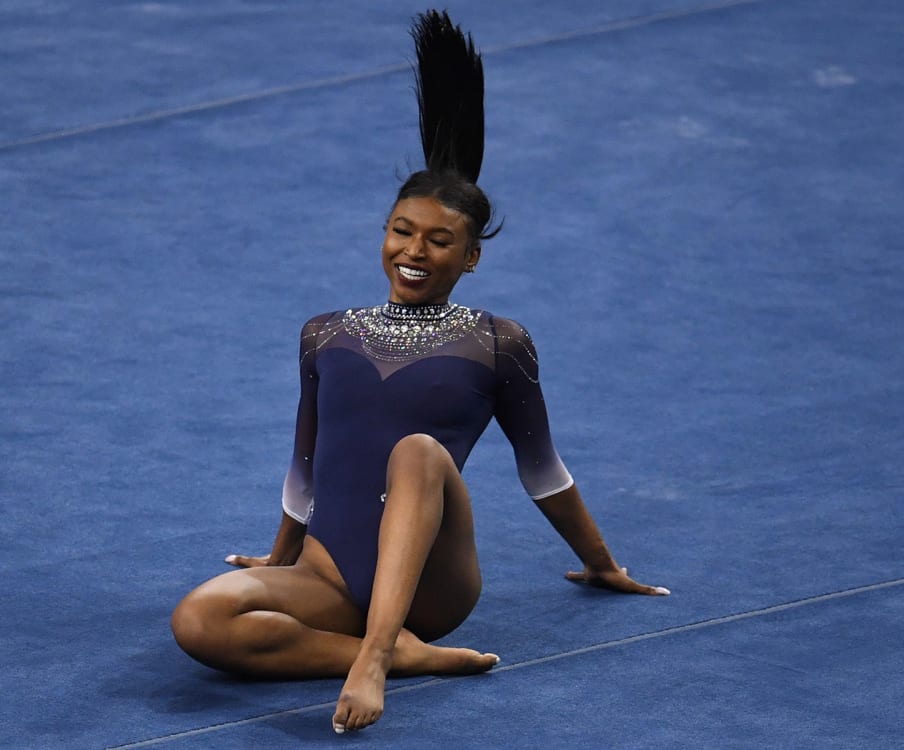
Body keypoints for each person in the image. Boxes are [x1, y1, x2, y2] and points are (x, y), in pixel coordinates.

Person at [170, 10, 669, 735]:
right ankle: (402, 655)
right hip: (330, 573)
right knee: (198, 619)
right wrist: (280, 560)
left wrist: (602, 562)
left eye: (441, 241)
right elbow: (305, 463)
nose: (415, 251)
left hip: (433, 586)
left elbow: (544, 471)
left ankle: (375, 657)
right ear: (384, 232)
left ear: (471, 258)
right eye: (402, 231)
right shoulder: (325, 334)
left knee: (418, 451)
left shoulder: (499, 342)